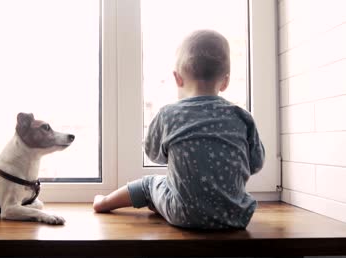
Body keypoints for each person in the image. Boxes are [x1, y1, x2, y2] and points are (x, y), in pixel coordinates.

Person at [93, 29, 265, 229]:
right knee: (173, 188)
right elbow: (255, 163)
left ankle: (103, 203)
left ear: (178, 78)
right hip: (235, 216)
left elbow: (154, 155)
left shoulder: (169, 114)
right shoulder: (241, 116)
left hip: (183, 215)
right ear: (225, 81)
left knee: (151, 184)